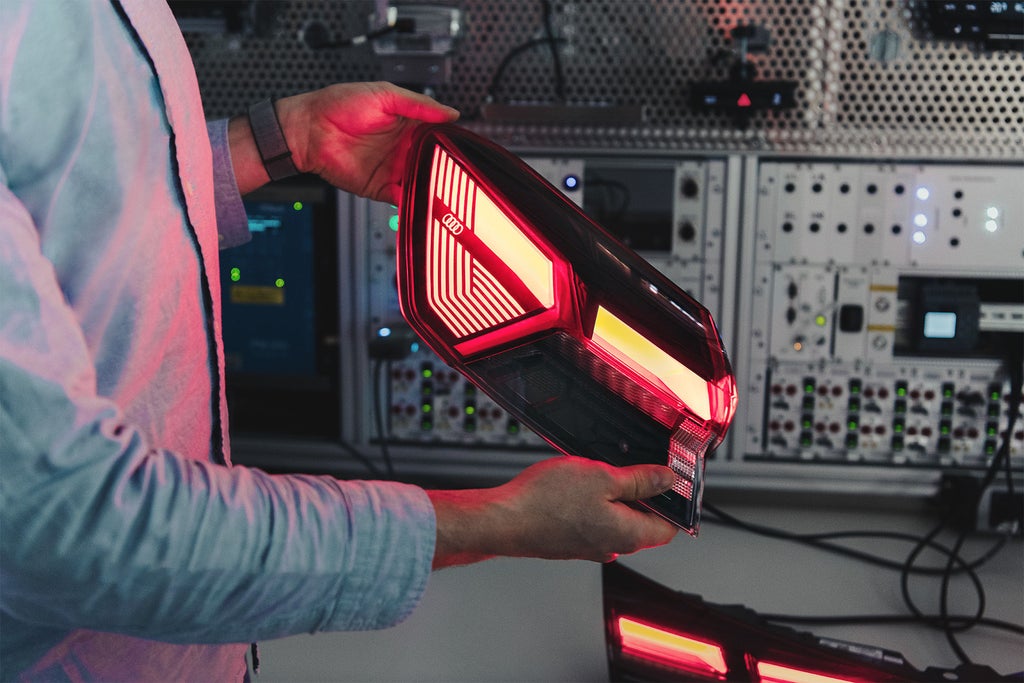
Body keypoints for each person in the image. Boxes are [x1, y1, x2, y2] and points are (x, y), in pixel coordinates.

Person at [0, 1, 678, 680]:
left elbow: (87, 207)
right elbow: (70, 528)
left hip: (191, 643)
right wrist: (498, 521)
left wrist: (282, 140)